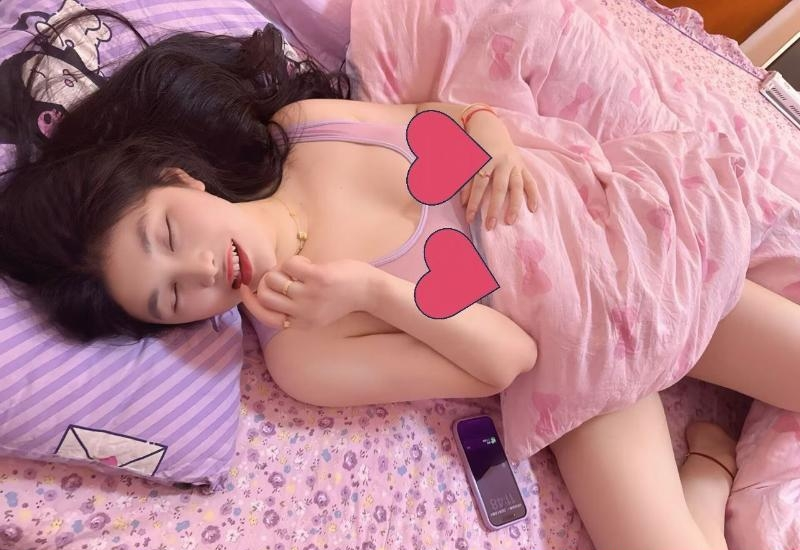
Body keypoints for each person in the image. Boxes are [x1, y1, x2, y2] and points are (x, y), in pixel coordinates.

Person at [2, 13, 798, 550]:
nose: (201, 270)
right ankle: (710, 474)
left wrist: (497, 145)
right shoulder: (303, 355)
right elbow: (508, 359)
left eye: (171, 236)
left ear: (181, 179)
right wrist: (373, 293)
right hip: (588, 359)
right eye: (173, 297)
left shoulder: (307, 128)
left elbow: (452, 120)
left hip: (636, 245)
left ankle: (708, 465)